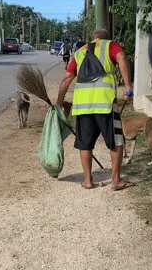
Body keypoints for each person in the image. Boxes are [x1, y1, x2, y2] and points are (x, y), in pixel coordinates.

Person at [56, 29, 134, 190]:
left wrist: (58, 103)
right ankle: (115, 180)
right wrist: (128, 86)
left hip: (82, 106)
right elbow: (122, 58)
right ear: (106, 38)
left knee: (85, 144)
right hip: (105, 104)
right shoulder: (110, 45)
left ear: (92, 39)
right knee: (115, 142)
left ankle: (88, 180)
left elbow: (66, 79)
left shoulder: (79, 52)